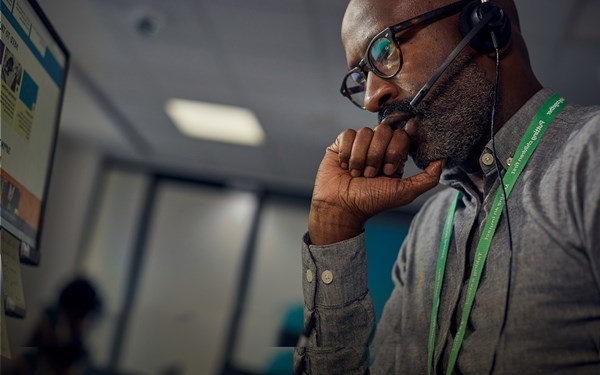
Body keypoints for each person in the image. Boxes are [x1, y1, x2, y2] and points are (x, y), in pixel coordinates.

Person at [294, 0, 600, 374]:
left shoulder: (591, 158)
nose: (373, 97)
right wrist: (333, 229)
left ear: (486, 25)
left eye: (384, 50)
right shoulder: (431, 227)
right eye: (361, 77)